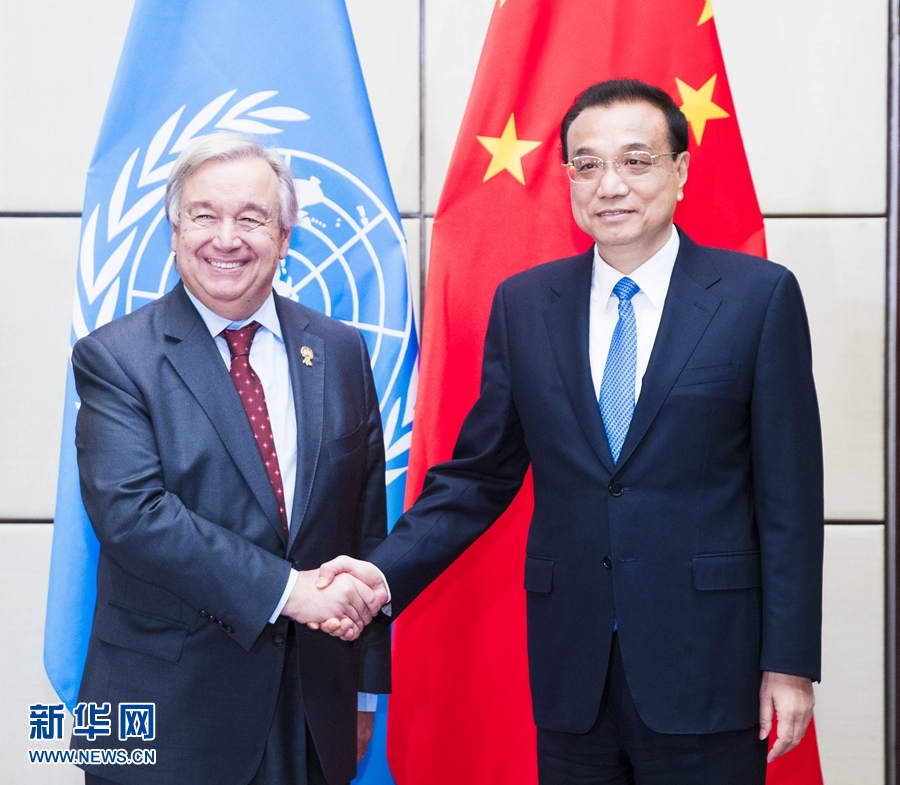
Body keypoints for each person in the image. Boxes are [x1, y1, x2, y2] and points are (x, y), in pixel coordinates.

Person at [318, 79, 824, 784]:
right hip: (573, 669)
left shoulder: (757, 297)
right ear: (568, 180)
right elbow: (479, 475)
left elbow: (790, 500)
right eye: (587, 165)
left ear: (680, 170)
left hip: (709, 663)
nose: (610, 184)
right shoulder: (526, 304)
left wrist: (790, 663)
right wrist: (379, 573)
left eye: (636, 161)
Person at [70, 132, 390, 785]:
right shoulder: (115, 358)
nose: (226, 238)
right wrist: (289, 592)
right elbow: (134, 515)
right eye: (204, 215)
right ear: (174, 231)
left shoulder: (340, 351)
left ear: (285, 236)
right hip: (166, 715)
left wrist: (362, 690)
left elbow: (364, 523)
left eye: (251, 218)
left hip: (313, 707)